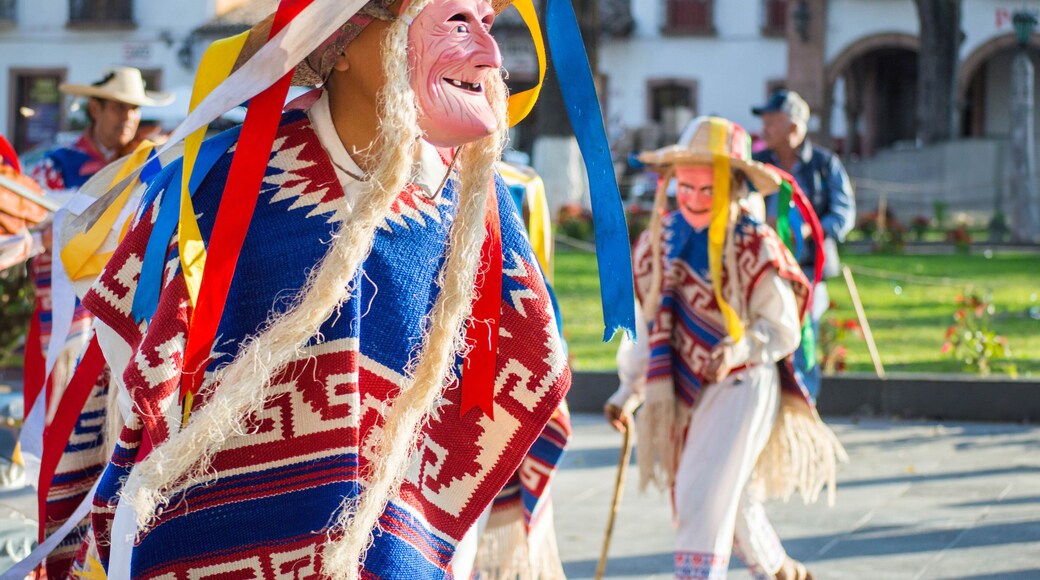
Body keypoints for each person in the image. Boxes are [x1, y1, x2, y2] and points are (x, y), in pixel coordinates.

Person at [13, 0, 625, 575]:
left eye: (488, 20)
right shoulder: (222, 185)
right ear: (344, 39)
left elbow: (522, 368)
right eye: (457, 20)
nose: (491, 55)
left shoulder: (473, 208)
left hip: (397, 547)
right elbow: (133, 369)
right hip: (208, 544)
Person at [606, 117, 847, 580]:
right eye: (686, 188)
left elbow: (781, 328)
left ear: (733, 187)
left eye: (707, 190)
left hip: (742, 384)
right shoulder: (657, 240)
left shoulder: (756, 242)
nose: (694, 200)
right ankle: (780, 570)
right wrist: (627, 392)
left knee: (703, 490)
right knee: (728, 495)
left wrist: (738, 349)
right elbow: (647, 323)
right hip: (681, 387)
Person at [752, 90, 855, 400]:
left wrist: (812, 229)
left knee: (803, 336)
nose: (765, 129)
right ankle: (768, 404)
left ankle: (804, 406)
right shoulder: (757, 165)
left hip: (809, 270)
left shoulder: (825, 164)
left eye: (772, 122)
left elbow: (844, 213)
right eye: (764, 122)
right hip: (764, 268)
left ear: (794, 128)